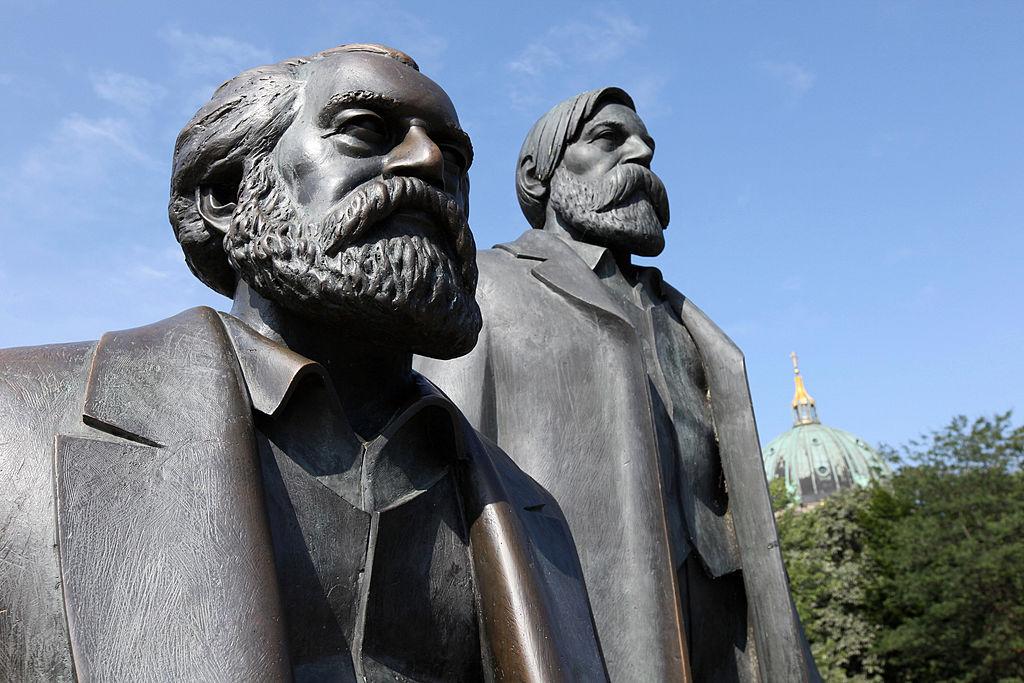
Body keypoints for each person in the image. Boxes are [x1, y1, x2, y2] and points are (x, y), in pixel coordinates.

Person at [0, 45, 607, 682]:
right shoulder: (18, 421)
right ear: (227, 192)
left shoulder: (536, 518)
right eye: (365, 130)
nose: (430, 163)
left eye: (454, 158)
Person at [416, 88, 820, 682]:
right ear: (538, 174)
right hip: (577, 605)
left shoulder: (684, 320)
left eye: (647, 148)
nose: (640, 157)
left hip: (720, 611)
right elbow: (435, 466)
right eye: (608, 140)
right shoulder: (486, 287)